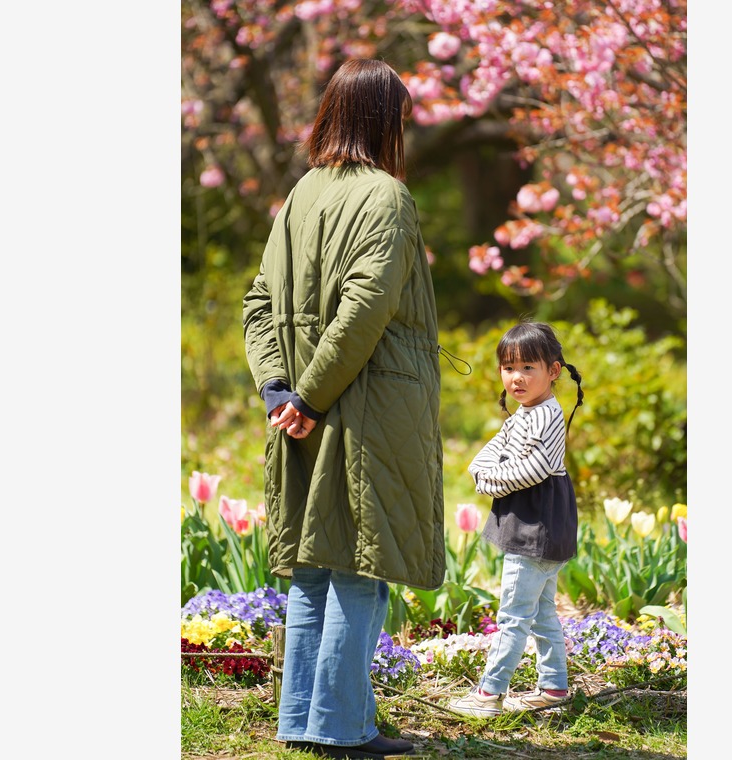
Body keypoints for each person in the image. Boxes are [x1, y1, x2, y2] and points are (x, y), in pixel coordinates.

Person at [242, 59, 444, 759]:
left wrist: (279, 392)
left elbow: (257, 301)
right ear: (384, 121)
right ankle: (342, 728)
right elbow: (365, 308)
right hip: (366, 410)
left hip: (303, 410)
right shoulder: (388, 197)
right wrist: (303, 396)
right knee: (359, 568)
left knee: (314, 565)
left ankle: (302, 719)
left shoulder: (301, 193)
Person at [446, 321, 584, 718]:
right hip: (538, 526)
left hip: (535, 529)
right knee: (541, 611)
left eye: (528, 367)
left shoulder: (546, 415)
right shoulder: (525, 413)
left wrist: (489, 480)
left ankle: (489, 695)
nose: (516, 377)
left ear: (553, 371)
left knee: (513, 615)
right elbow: (489, 453)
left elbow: (533, 470)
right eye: (508, 368)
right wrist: (484, 470)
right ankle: (554, 688)